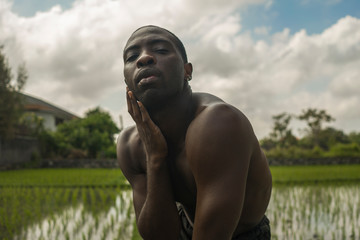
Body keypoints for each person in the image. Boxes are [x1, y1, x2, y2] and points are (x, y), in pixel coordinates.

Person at [117, 25, 272, 240]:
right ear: (127, 82)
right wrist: (155, 159)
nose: (144, 58)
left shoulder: (219, 123)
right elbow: (159, 237)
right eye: (132, 57)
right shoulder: (130, 145)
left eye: (161, 50)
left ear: (187, 71)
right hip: (187, 226)